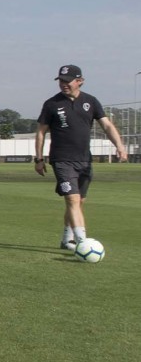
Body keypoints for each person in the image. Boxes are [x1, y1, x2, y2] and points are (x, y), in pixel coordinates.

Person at [35, 65, 127, 250]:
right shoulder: (51, 104)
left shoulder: (91, 101)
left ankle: (66, 239)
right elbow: (40, 132)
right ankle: (82, 243)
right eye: (61, 81)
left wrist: (119, 145)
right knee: (72, 199)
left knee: (79, 201)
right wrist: (39, 158)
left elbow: (107, 125)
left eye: (67, 81)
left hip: (84, 160)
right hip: (61, 159)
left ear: (80, 81)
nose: (63, 84)